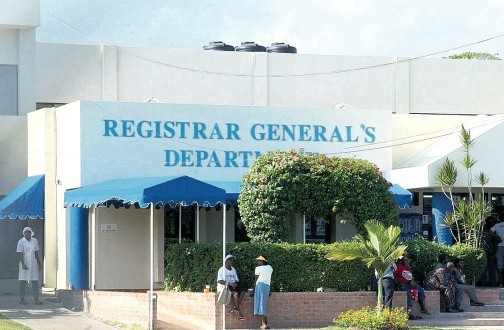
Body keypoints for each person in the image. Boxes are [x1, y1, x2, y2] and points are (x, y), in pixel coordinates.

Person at [393, 252, 429, 319]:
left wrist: (412, 280)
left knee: (420, 289)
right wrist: (397, 282)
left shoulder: (407, 267)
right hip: (402, 285)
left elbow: (410, 276)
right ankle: (409, 313)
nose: (408, 259)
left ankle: (423, 308)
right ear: (402, 258)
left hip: (409, 284)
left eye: (407, 257)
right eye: (406, 257)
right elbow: (393, 275)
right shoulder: (398, 267)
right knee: (408, 294)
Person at [17, 227, 42, 305]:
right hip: (24, 263)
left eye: (28, 232)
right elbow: (20, 254)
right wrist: (23, 264)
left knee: (35, 281)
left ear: (31, 233)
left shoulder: (35, 241)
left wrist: (39, 263)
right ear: (23, 233)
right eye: (25, 232)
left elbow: (36, 253)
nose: (27, 234)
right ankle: (22, 299)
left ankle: (36, 299)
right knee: (23, 281)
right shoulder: (21, 242)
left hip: (33, 263)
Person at [217, 254, 245, 319]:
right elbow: (219, 280)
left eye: (233, 260)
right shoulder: (221, 269)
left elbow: (236, 279)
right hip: (225, 286)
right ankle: (238, 311)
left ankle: (236, 307)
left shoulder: (233, 269)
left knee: (243, 291)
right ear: (226, 261)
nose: (232, 261)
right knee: (235, 294)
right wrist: (229, 284)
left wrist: (235, 283)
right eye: (230, 260)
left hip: (233, 285)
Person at [253, 255, 273, 329]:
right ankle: (265, 323)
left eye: (258, 260)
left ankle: (264, 324)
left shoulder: (258, 268)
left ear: (262, 261)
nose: (257, 262)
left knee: (260, 304)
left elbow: (256, 279)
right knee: (263, 304)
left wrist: (253, 289)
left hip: (260, 286)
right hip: (267, 286)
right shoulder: (270, 268)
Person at [490, 220, 504, 286]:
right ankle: (501, 282)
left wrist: (496, 236)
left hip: (500, 247)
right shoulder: (497, 225)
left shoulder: (497, 225)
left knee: (500, 266)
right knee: (500, 266)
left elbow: (490, 232)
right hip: (499, 247)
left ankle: (501, 282)